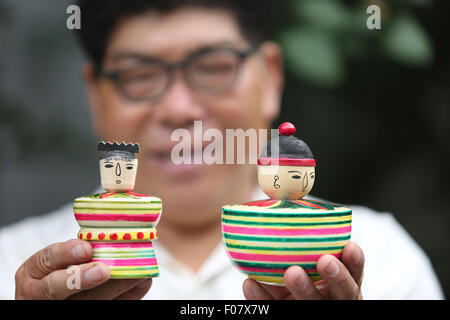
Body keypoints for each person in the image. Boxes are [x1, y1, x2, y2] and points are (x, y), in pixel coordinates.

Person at [0, 0, 444, 300]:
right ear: (95, 97)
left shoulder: (381, 259)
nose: (178, 108)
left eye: (213, 66)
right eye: (137, 75)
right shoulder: (14, 267)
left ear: (270, 77)